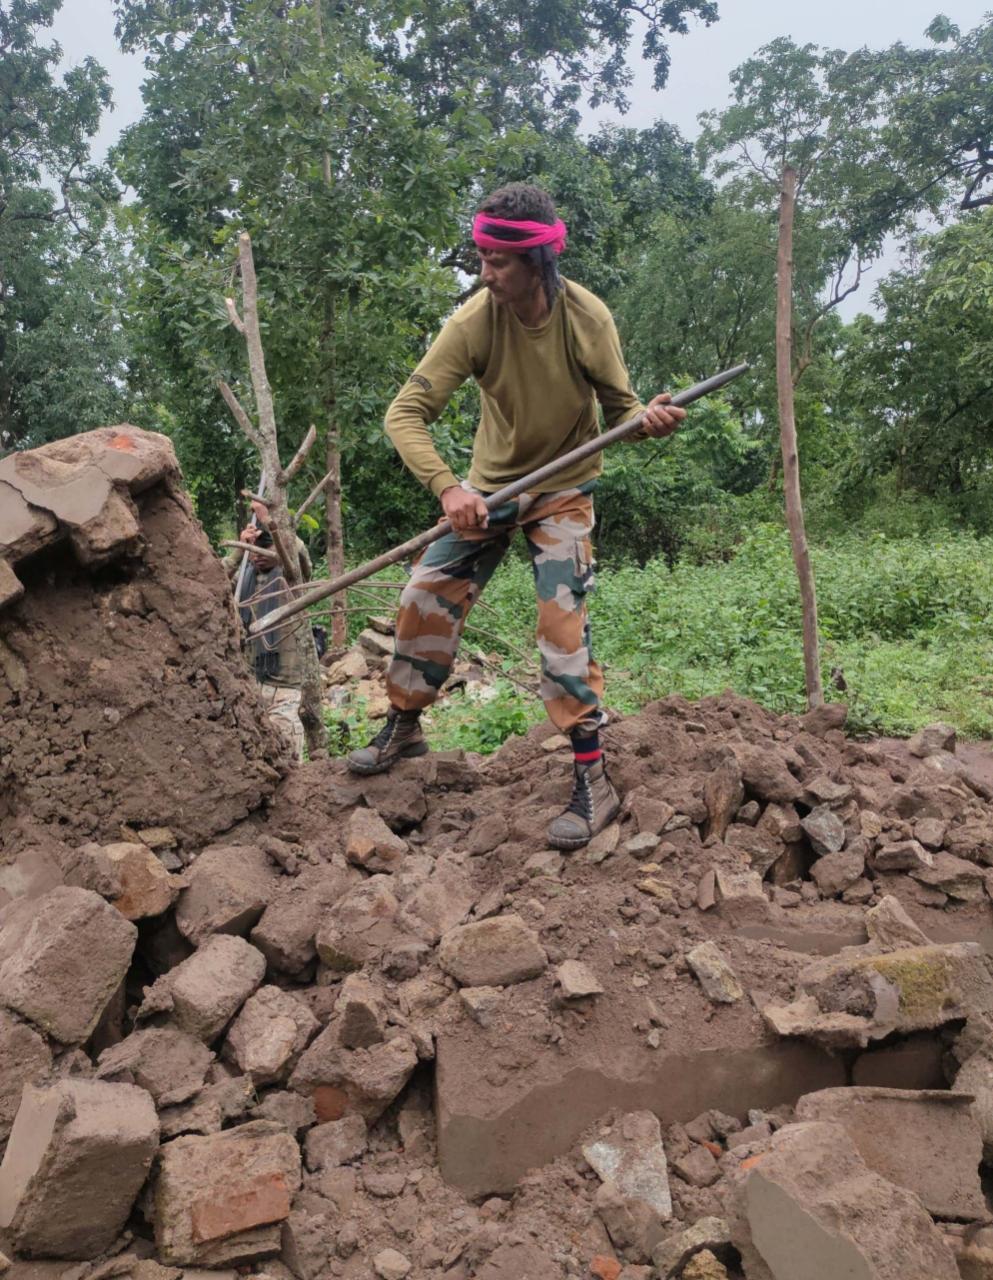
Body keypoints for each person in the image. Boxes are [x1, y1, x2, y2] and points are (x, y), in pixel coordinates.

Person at [347, 183, 685, 848]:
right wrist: (449, 489)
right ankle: (405, 728)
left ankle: (593, 781)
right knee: (423, 597)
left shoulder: (587, 319)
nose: (484, 273)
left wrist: (649, 422)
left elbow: (621, 416)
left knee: (561, 630)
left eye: (497, 262)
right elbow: (404, 414)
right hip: (489, 490)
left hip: (562, 490)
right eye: (481, 257)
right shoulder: (474, 321)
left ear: (536, 263)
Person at [228, 499, 312, 759]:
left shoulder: (290, 576)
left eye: (263, 548)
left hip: (286, 683)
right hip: (252, 680)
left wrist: (269, 523)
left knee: (287, 749)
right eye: (252, 549)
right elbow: (214, 577)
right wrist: (239, 552)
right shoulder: (243, 578)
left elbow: (297, 551)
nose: (256, 555)